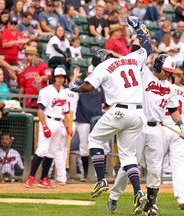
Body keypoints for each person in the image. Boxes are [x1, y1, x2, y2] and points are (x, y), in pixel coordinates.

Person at [70, 16, 152, 214]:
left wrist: (74, 88)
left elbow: (89, 87)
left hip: (119, 111)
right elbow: (148, 46)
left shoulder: (103, 66)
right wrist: (138, 28)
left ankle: (100, 180)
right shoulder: (130, 59)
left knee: (95, 139)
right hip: (138, 114)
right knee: (128, 157)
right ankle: (138, 192)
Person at [106, 43, 184, 216]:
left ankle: (151, 205)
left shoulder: (170, 88)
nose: (168, 74)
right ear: (158, 66)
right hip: (138, 125)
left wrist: (181, 125)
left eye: (170, 72)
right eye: (166, 71)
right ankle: (114, 195)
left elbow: (173, 110)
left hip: (156, 128)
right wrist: (140, 34)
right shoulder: (144, 75)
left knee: (154, 168)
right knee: (129, 164)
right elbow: (137, 52)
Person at [24, 66, 71, 188]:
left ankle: (43, 178)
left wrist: (67, 127)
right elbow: (40, 110)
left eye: (62, 77)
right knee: (42, 150)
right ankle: (31, 177)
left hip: (59, 122)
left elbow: (66, 112)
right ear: (53, 78)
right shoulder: (45, 91)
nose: (60, 79)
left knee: (52, 152)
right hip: (48, 120)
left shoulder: (65, 93)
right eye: (58, 77)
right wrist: (44, 126)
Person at [161, 75, 184, 210]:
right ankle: (182, 197)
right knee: (180, 165)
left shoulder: (157, 89)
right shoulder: (182, 91)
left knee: (155, 164)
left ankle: (152, 197)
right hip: (179, 129)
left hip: (161, 128)